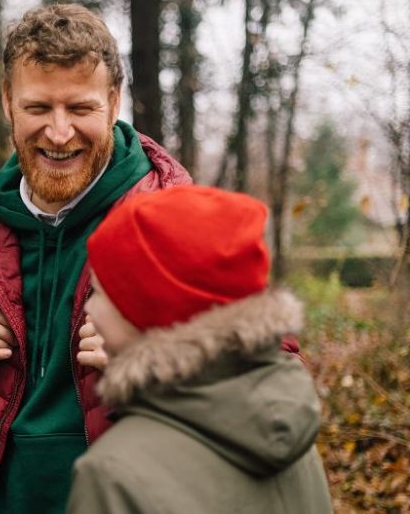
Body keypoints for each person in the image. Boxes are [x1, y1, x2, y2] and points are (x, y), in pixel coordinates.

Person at [0, 3, 200, 513]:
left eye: (80, 108)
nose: (59, 132)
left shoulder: (177, 220)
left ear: (113, 103)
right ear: (8, 103)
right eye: (38, 108)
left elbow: (271, 380)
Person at [67, 185, 332, 513]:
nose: (89, 310)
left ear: (148, 310)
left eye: (100, 293)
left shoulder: (114, 473)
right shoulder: (293, 430)